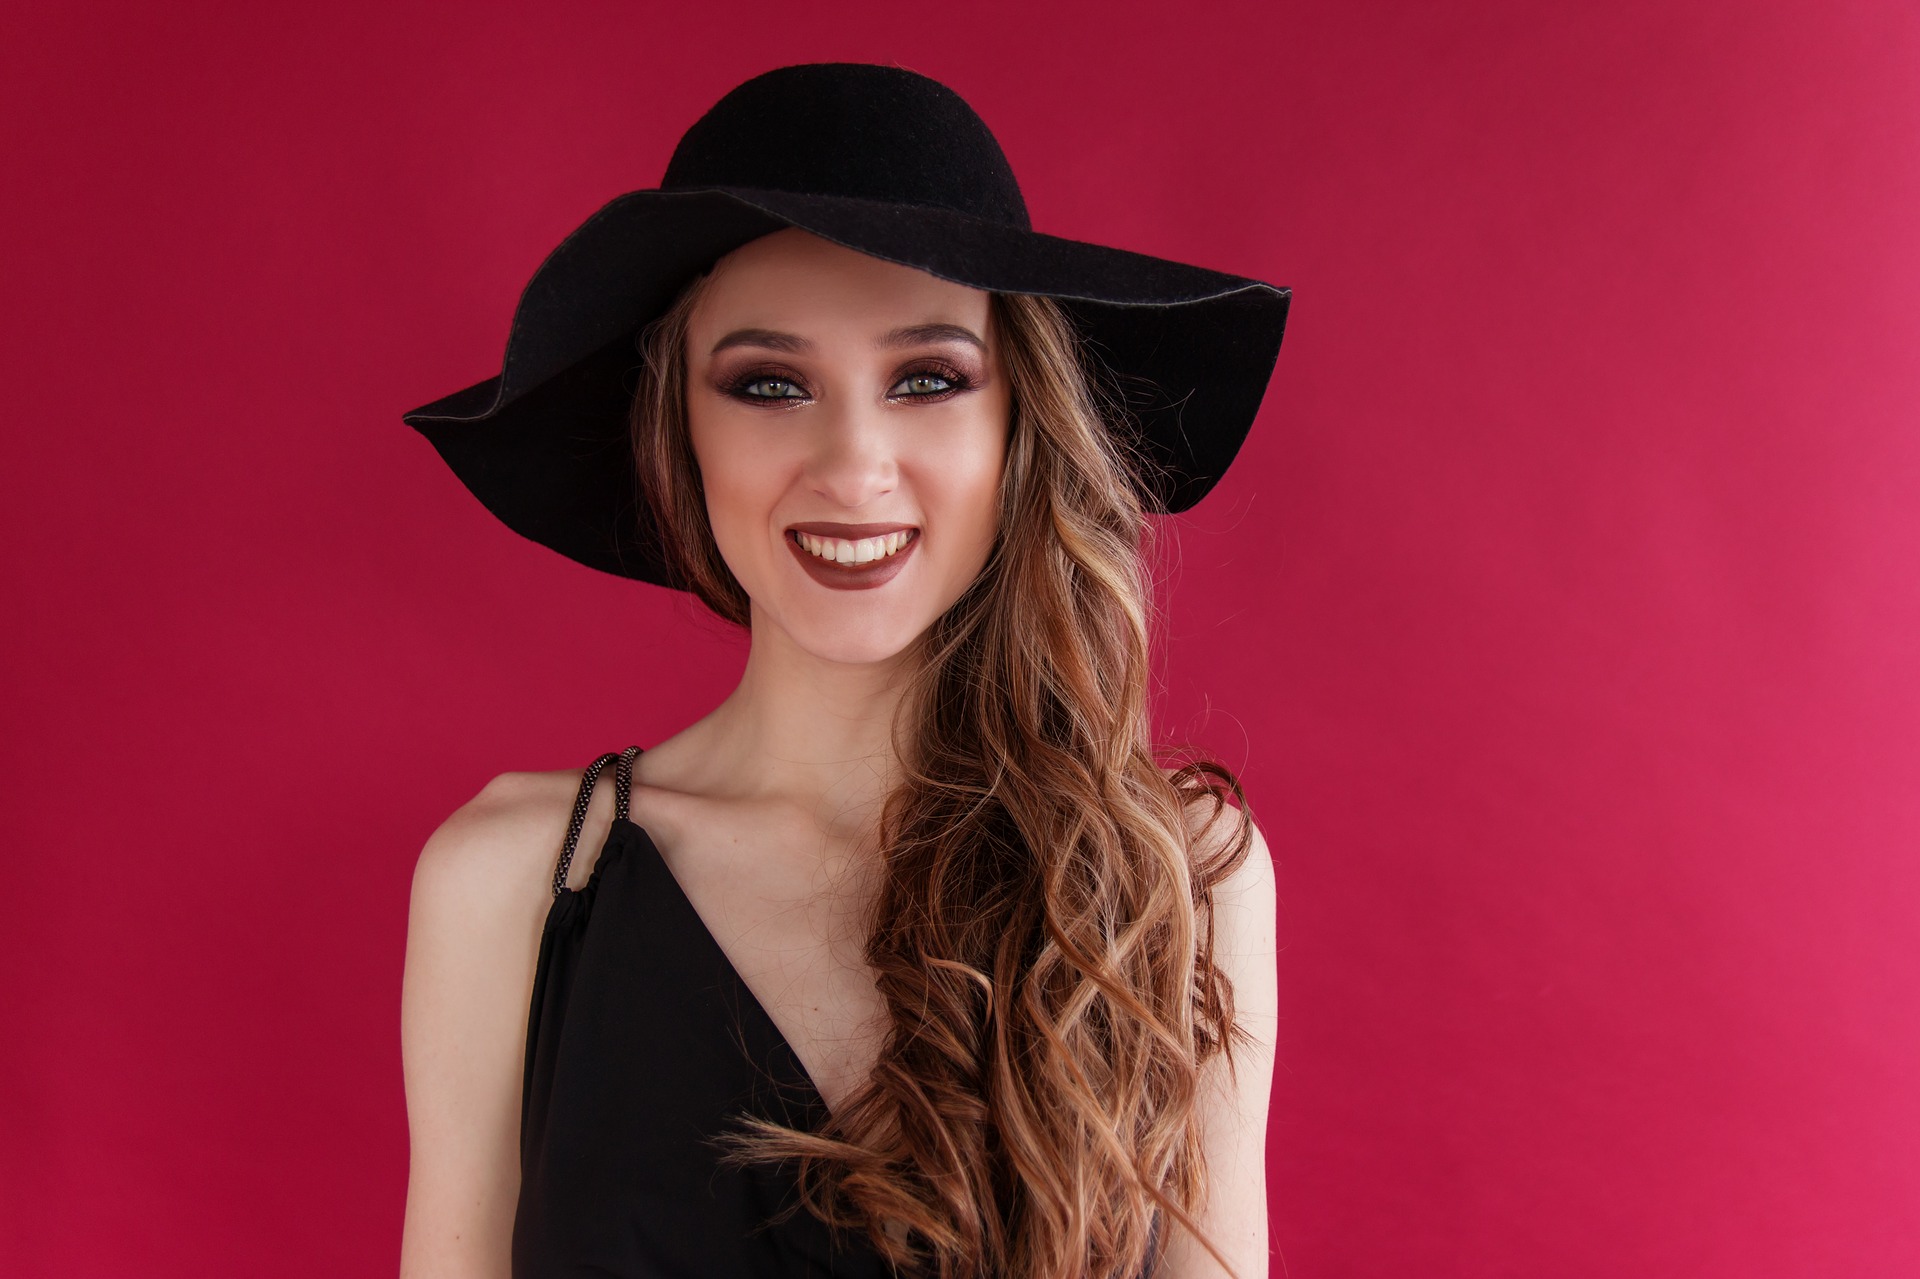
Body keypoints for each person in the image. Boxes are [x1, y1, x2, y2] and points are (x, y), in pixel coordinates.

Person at [397, 63, 1290, 1279]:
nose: (854, 465)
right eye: (769, 385)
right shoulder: (515, 884)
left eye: (928, 380)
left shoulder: (1171, 875)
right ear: (678, 428)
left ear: (1016, 423)